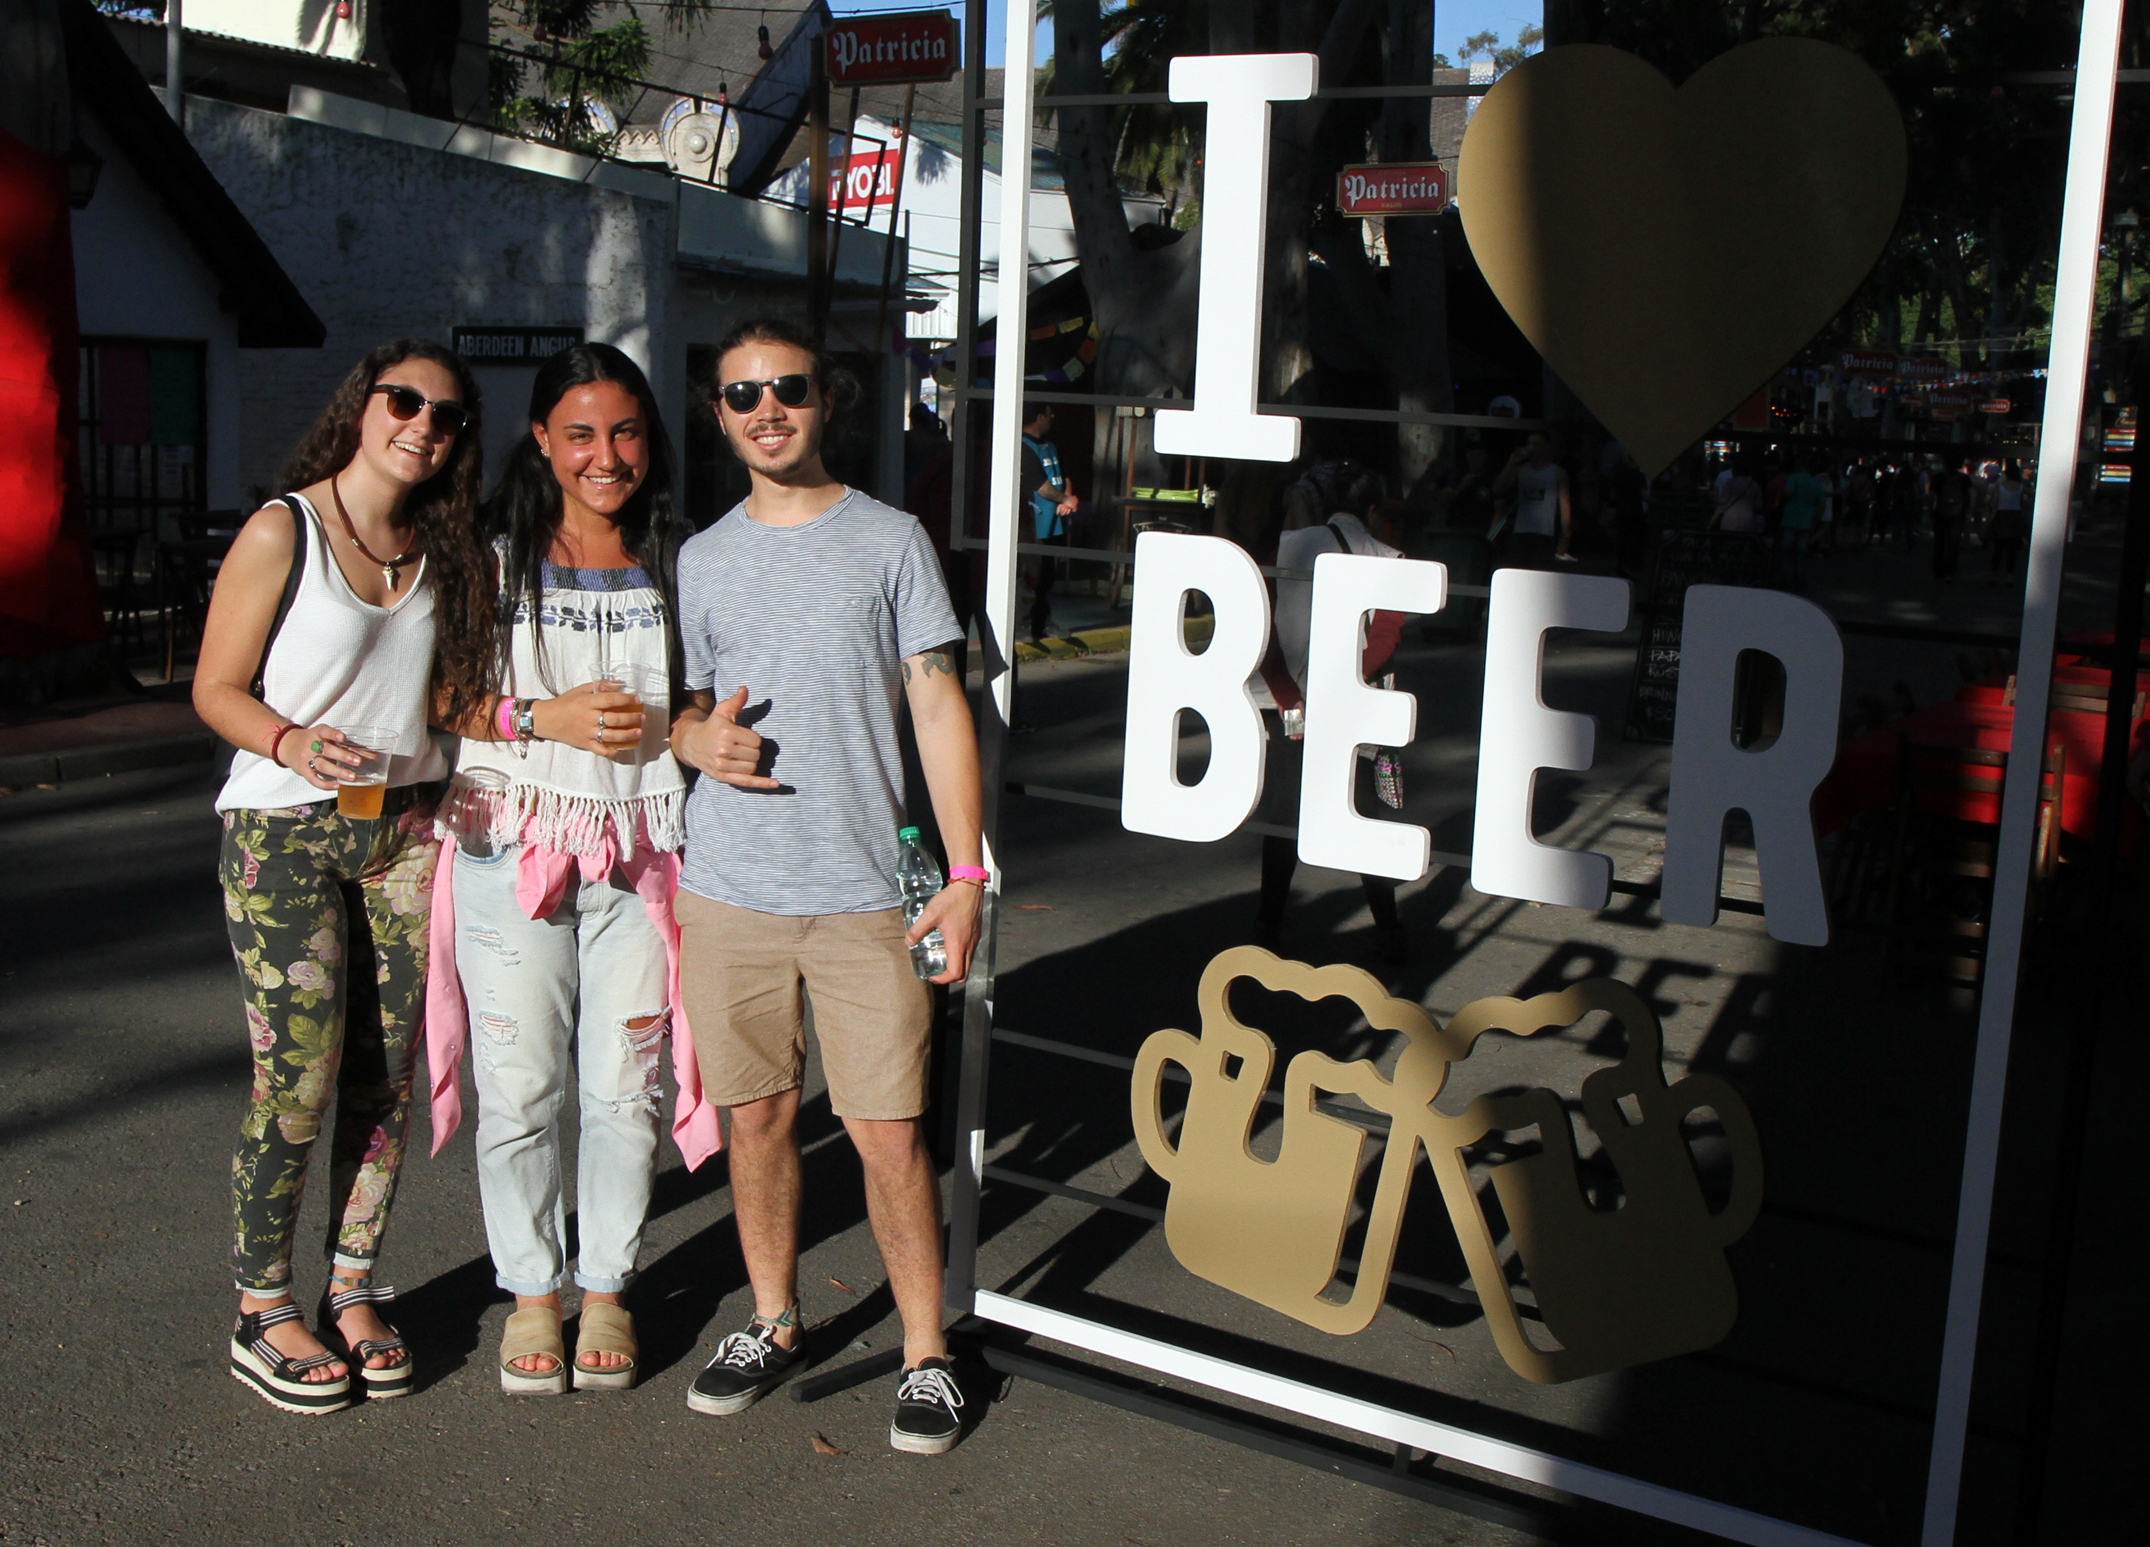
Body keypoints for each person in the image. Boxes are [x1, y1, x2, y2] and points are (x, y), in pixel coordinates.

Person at [670, 318, 984, 1454]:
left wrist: (964, 871)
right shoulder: (700, 555)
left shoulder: (890, 539)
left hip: (862, 892)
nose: (765, 408)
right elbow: (688, 707)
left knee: (885, 1132)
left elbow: (939, 703)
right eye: (740, 392)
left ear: (824, 399)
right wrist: (692, 739)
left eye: (786, 388)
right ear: (718, 413)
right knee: (754, 1118)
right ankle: (772, 1318)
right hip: (729, 889)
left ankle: (925, 1352)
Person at [423, 344, 759, 1396]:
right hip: (507, 846)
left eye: (624, 432)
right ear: (540, 440)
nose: (604, 455)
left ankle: (606, 1283)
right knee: (519, 1085)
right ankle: (532, 1290)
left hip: (644, 855)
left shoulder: (686, 557)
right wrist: (543, 717)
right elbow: (441, 697)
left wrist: (691, 730)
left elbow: (708, 699)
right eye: (579, 432)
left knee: (625, 1087)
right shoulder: (486, 553)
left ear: (650, 442)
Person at [192, 340, 492, 1413]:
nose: (421, 423)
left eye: (446, 414)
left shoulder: (447, 547)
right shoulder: (288, 528)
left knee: (388, 1077)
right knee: (299, 1076)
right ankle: (264, 1305)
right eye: (401, 400)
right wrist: (289, 742)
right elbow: (215, 686)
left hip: (403, 830)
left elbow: (452, 701)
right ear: (361, 407)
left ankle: (354, 1285)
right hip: (283, 833)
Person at [1254, 464, 1408, 964]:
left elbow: (1262, 621)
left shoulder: (1290, 546)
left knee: (1286, 808)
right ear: (1373, 511)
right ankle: (1389, 928)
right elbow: (1384, 641)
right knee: (1362, 809)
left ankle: (1267, 926)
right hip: (1350, 709)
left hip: (1290, 702)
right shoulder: (1387, 558)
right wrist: (1337, 689)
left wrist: (1287, 692)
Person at [1019, 402, 1080, 642]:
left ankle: (1043, 620)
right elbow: (1039, 485)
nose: (1052, 417)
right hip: (1035, 521)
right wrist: (1064, 498)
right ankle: (1024, 624)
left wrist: (1068, 499)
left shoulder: (1051, 445)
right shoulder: (1023, 447)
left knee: (1047, 575)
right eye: (1048, 413)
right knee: (1030, 575)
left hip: (1056, 520)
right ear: (1039, 417)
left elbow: (1064, 475)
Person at [1492, 431, 1572, 566]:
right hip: (1520, 533)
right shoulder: (1521, 469)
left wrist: (1564, 541)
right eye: (1529, 444)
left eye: (1536, 444)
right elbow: (1497, 489)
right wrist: (1510, 464)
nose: (1532, 448)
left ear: (1546, 447)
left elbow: (1565, 508)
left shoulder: (1557, 472)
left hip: (1545, 535)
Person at [1776, 454, 1826, 591]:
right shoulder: (1814, 482)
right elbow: (1822, 503)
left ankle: (1783, 581)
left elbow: (1788, 494)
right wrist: (1815, 520)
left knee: (1785, 553)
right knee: (1800, 554)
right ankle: (1798, 581)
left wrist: (1781, 498)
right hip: (1806, 522)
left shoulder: (1793, 478)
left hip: (1789, 520)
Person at [1931, 454, 1973, 582]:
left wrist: (1931, 511)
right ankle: (1950, 572)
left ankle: (1939, 572)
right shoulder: (1964, 479)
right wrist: (1967, 513)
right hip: (1957, 514)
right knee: (1953, 545)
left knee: (1940, 543)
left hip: (1940, 513)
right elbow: (1969, 496)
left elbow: (1931, 496)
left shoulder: (1938, 477)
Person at [1989, 458, 2029, 580]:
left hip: (2001, 515)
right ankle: (2010, 576)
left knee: (1998, 547)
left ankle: (1994, 575)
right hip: (2015, 516)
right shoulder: (2021, 487)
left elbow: (1993, 503)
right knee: (2012, 548)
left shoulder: (1999, 487)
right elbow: (2024, 504)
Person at [1713, 454, 1764, 534]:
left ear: (1734, 470)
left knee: (1729, 542)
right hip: (1748, 518)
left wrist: (1715, 497)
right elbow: (1759, 505)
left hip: (1730, 518)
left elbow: (1722, 500)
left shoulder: (1730, 483)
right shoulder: (1754, 484)